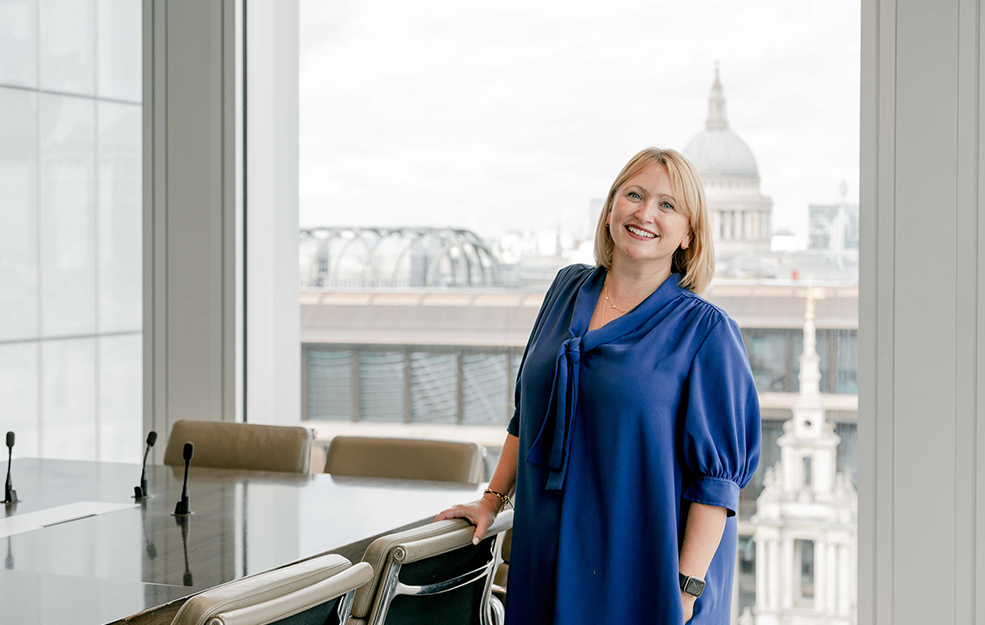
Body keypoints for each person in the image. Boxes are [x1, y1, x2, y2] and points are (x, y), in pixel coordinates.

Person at [435, 147, 761, 624]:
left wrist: (685, 591)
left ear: (689, 233)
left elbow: (718, 485)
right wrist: (492, 499)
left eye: (668, 205)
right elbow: (528, 417)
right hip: (547, 548)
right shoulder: (566, 290)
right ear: (611, 207)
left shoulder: (706, 331)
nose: (645, 213)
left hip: (644, 569)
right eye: (634, 194)